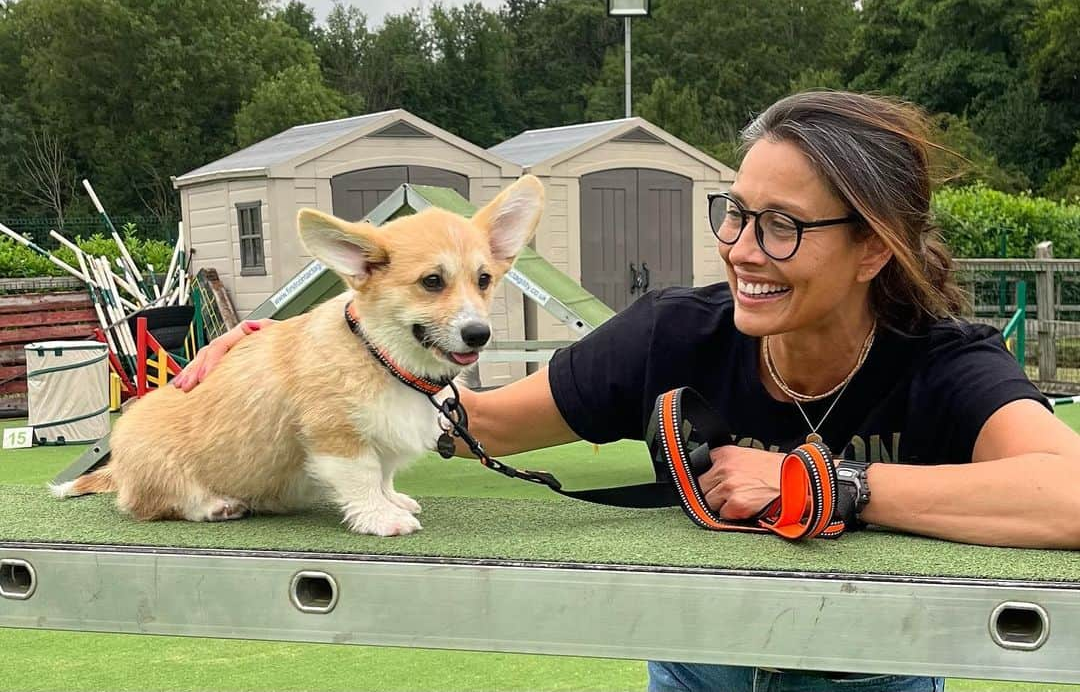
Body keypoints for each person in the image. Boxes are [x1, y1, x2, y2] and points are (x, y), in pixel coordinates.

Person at [177, 91, 1080, 692]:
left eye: (781, 225)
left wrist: (821, 486)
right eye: (735, 210)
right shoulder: (674, 332)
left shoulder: (940, 357)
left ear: (873, 247)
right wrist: (305, 354)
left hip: (877, 669)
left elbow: (1067, 493)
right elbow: (475, 423)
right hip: (696, 669)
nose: (741, 247)